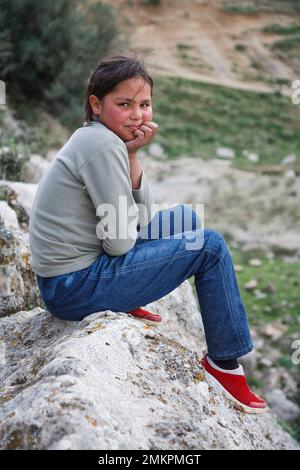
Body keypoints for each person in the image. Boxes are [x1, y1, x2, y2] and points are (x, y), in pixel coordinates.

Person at [29, 53, 266, 414]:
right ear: (96, 104)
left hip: (74, 274)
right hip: (72, 288)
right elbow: (122, 240)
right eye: (124, 104)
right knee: (211, 247)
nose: (138, 115)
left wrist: (133, 156)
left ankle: (126, 293)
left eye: (144, 104)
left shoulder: (101, 140)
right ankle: (224, 364)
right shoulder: (101, 145)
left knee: (185, 217)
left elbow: (140, 219)